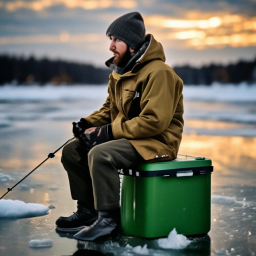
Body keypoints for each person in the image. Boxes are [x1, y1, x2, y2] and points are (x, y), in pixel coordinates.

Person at [55, 11, 184, 241]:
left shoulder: (160, 73)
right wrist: (87, 124)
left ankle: (109, 219)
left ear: (132, 45)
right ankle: (88, 211)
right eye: (110, 40)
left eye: (116, 40)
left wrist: (106, 133)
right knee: (73, 150)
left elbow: (154, 122)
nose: (111, 46)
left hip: (157, 142)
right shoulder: (120, 73)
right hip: (133, 139)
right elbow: (109, 110)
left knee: (101, 154)